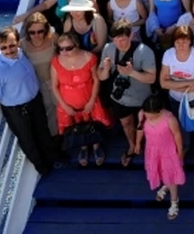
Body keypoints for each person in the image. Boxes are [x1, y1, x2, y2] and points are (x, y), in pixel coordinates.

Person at [0, 27, 61, 176]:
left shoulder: (21, 53)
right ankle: (42, 168)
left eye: (12, 45)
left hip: (35, 101)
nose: (9, 50)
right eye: (3, 48)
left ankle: (55, 156)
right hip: (17, 112)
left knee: (43, 131)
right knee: (28, 140)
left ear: (18, 43)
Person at [98, 20, 157, 166]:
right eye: (115, 39)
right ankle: (132, 146)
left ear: (131, 36)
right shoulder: (108, 48)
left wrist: (131, 73)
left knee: (146, 124)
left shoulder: (144, 51)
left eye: (123, 39)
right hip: (120, 97)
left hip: (142, 98)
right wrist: (106, 68)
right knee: (126, 123)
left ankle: (150, 148)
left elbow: (151, 78)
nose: (119, 43)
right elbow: (102, 77)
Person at [50, 30, 112, 166]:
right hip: (68, 105)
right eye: (61, 49)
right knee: (77, 128)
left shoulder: (90, 58)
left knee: (93, 125)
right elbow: (54, 86)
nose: (64, 52)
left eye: (68, 48)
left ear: (76, 45)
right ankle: (83, 147)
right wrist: (65, 106)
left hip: (89, 101)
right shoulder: (56, 61)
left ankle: (96, 146)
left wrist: (92, 101)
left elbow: (96, 80)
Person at [160, 25, 194, 167]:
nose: (181, 45)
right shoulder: (168, 54)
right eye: (177, 42)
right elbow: (163, 83)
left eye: (184, 41)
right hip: (175, 99)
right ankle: (185, 145)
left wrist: (174, 83)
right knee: (181, 124)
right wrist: (188, 82)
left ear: (190, 42)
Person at [135, 94, 185, 220]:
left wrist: (180, 152)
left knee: (171, 177)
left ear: (159, 111)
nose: (149, 118)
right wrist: (137, 143)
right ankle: (166, 185)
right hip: (153, 151)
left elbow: (177, 135)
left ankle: (174, 201)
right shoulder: (142, 114)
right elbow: (140, 128)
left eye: (152, 116)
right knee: (161, 171)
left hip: (168, 153)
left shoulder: (169, 119)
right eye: (147, 115)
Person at [19, 14, 59, 135]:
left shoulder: (53, 38)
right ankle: (54, 137)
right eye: (32, 32)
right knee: (47, 112)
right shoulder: (23, 44)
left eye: (40, 31)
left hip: (57, 82)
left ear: (46, 29)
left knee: (62, 108)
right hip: (38, 85)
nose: (36, 35)